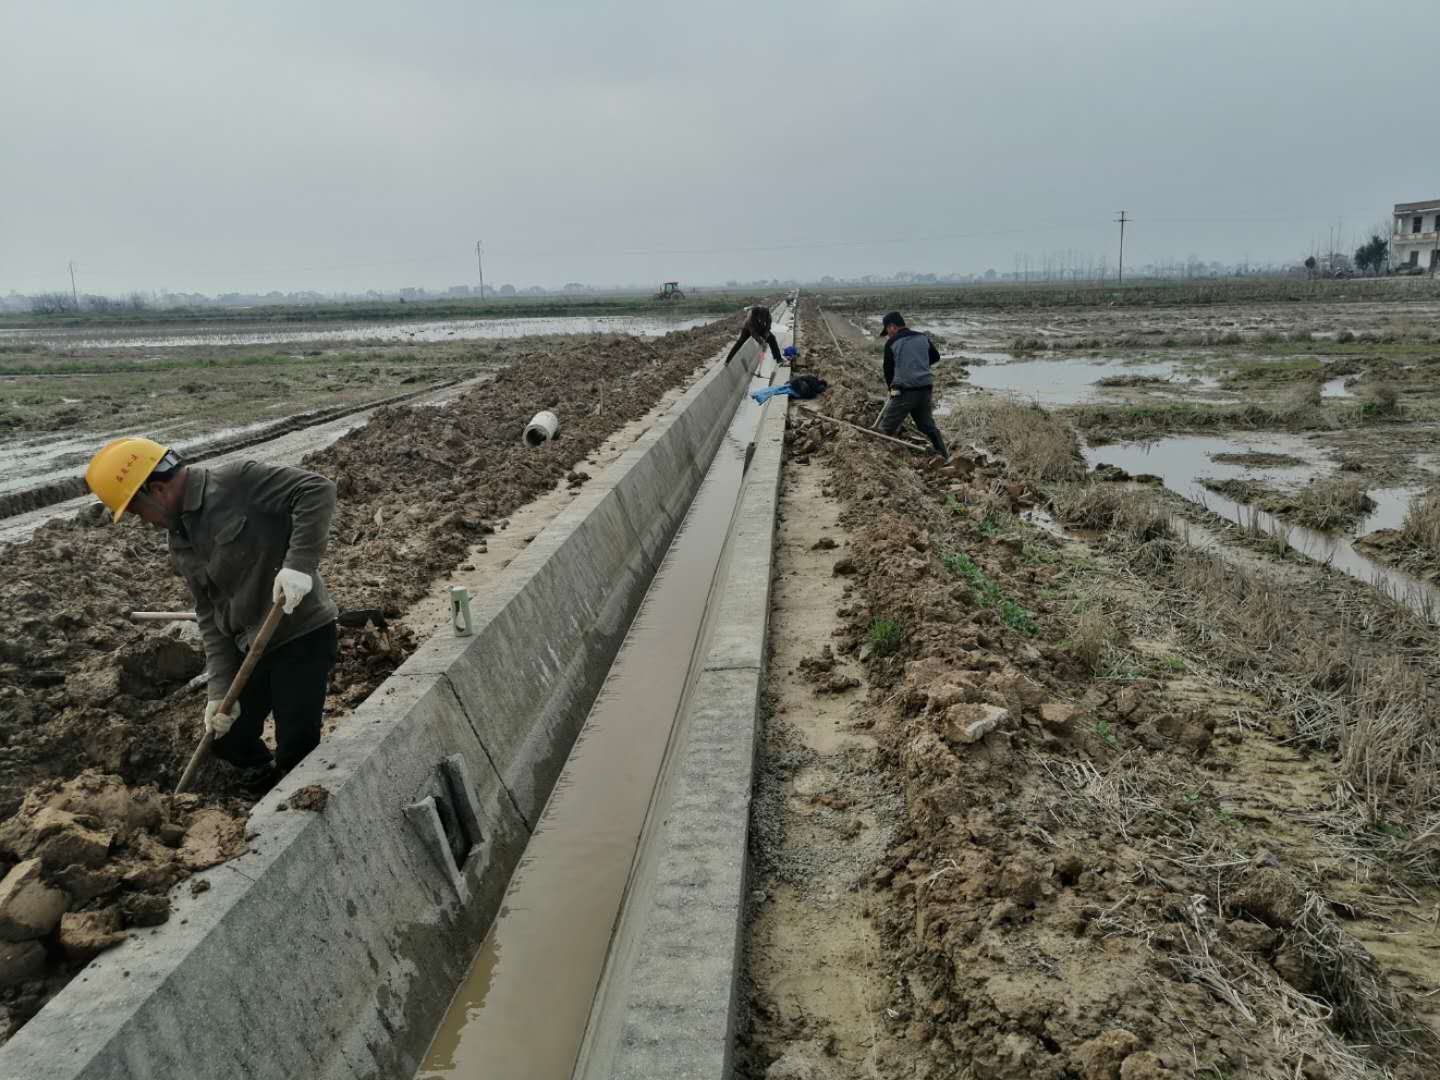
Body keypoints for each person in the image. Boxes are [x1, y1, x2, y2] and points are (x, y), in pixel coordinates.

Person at [85, 438, 340, 791]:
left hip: (300, 634)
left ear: (156, 491)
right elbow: (208, 613)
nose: (143, 522)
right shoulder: (180, 539)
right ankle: (267, 781)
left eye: (136, 511)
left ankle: (295, 789)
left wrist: (299, 566)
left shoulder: (237, 481)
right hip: (250, 646)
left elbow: (316, 489)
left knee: (296, 744)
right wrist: (218, 692)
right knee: (226, 737)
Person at [877, 311, 949, 462]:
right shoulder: (922, 337)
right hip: (925, 389)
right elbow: (936, 356)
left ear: (892, 327)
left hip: (905, 391)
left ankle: (878, 461)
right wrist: (918, 365)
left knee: (885, 428)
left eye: (887, 331)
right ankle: (944, 456)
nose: (888, 335)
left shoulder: (892, 343)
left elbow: (888, 370)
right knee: (927, 426)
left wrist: (891, 389)